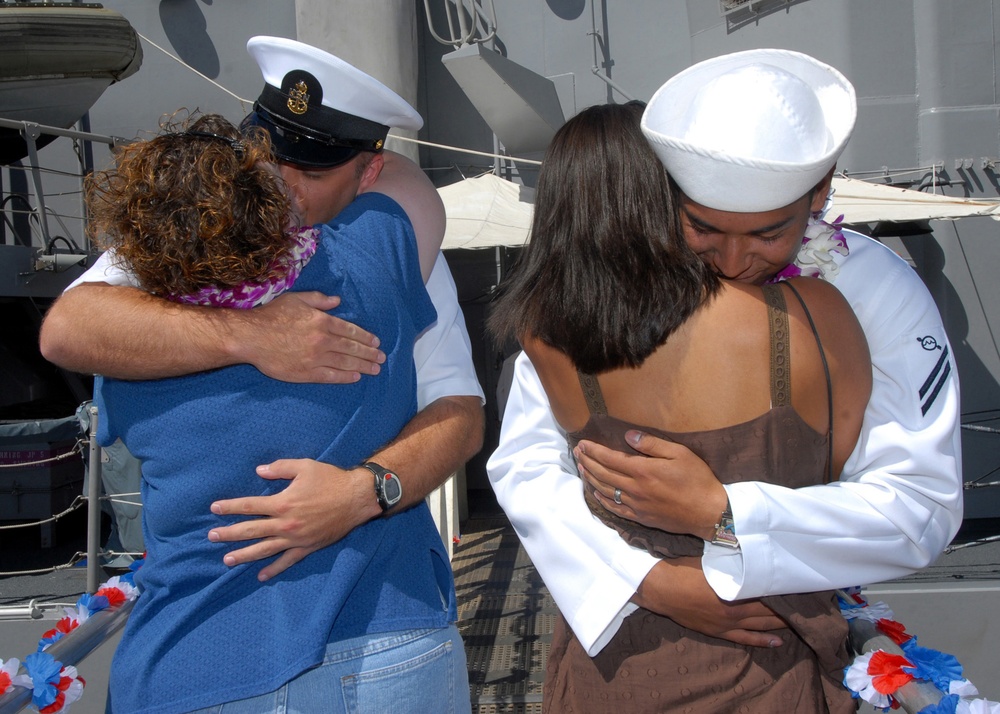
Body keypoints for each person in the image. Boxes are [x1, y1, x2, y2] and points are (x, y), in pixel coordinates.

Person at [41, 38, 482, 713]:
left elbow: (72, 330)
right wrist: (252, 335)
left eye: (309, 168)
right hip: (389, 645)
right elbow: (414, 192)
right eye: (265, 157)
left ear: (366, 172)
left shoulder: (134, 314)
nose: (279, 183)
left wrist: (362, 494)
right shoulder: (386, 259)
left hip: (196, 655)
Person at [488, 47, 962, 670]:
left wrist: (727, 514)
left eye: (769, 234)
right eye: (704, 229)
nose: (735, 262)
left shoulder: (877, 291)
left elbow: (920, 505)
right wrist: (645, 581)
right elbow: (528, 463)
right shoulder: (625, 283)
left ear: (820, 191)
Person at [489, 101, 870, 712]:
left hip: (616, 668)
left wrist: (653, 579)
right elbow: (839, 469)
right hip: (772, 652)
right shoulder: (812, 314)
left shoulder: (545, 337)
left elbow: (529, 473)